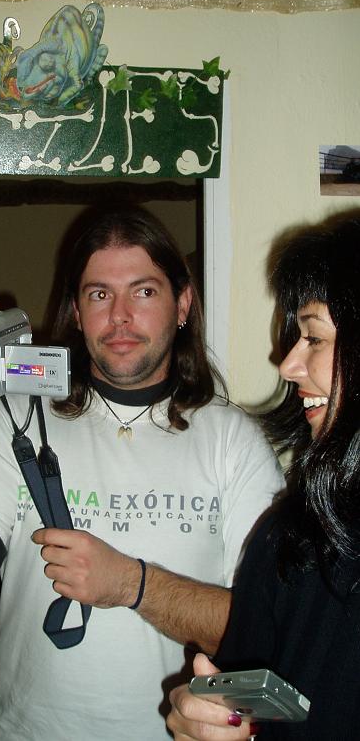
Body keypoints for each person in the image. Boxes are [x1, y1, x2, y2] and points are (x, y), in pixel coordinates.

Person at [0, 204, 283, 740]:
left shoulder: (233, 442)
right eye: (99, 295)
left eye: (144, 291)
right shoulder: (17, 419)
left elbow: (271, 628)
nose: (120, 316)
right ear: (77, 313)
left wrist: (130, 583)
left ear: (182, 304)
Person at [166, 213, 360, 740]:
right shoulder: (286, 537)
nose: (288, 364)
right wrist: (209, 724)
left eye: (314, 338)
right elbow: (244, 706)